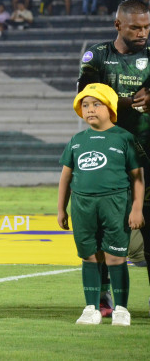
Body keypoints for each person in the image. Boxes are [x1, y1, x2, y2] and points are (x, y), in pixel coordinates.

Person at [77, 0, 150, 317]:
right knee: (105, 228)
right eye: (136, 27)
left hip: (146, 153)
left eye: (147, 27)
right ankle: (103, 298)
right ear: (118, 25)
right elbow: (83, 98)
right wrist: (120, 102)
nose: (143, 33)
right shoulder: (97, 56)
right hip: (107, 155)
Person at [57, 83, 145, 326]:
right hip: (82, 205)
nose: (90, 109)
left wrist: (136, 208)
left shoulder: (125, 138)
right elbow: (66, 176)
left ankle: (121, 309)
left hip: (115, 204)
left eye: (97, 104)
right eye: (85, 105)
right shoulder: (76, 140)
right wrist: (61, 208)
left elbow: (138, 176)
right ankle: (91, 308)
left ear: (110, 108)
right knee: (89, 257)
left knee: (115, 258)